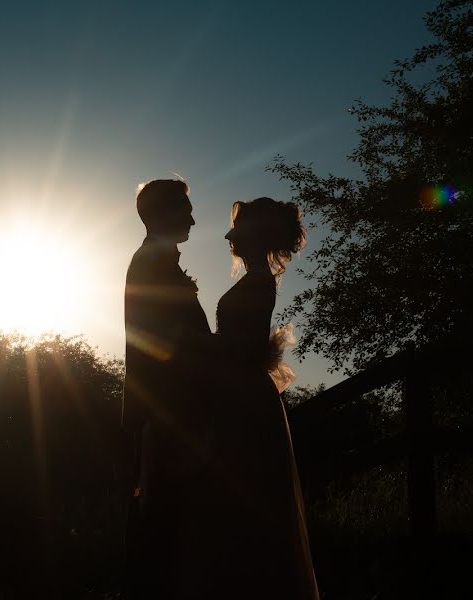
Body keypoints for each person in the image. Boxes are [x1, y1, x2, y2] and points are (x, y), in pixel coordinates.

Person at [183, 197, 319, 599]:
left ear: (256, 235)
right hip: (240, 394)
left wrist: (193, 338)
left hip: (241, 400)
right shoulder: (258, 280)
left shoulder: (258, 283)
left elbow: (239, 351)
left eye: (237, 229)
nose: (228, 235)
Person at [121, 178, 212, 597]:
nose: (192, 217)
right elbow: (152, 348)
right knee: (167, 534)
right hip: (173, 418)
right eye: (184, 208)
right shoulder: (150, 265)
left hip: (174, 416)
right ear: (159, 214)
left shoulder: (159, 263)